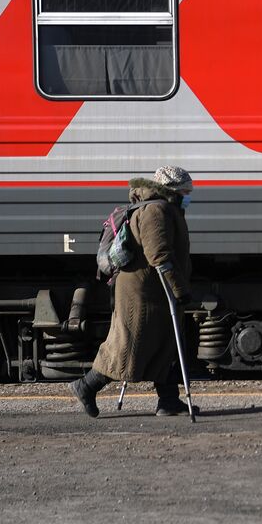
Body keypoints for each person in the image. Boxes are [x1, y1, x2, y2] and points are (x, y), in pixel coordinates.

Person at [70, 166, 197, 417]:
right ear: (171, 189)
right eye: (185, 190)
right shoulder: (155, 211)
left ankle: (168, 401)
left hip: (155, 290)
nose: (189, 195)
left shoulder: (165, 209)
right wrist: (179, 289)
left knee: (166, 343)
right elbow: (158, 255)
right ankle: (86, 386)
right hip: (143, 292)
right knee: (129, 347)